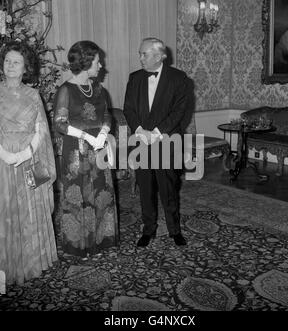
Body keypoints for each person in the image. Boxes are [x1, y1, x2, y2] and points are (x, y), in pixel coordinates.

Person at [53, 40, 118, 257]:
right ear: (87, 62)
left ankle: (100, 242)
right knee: (78, 196)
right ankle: (79, 245)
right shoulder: (66, 90)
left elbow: (107, 115)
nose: (101, 66)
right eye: (98, 62)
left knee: (101, 193)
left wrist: (102, 133)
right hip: (76, 152)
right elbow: (59, 123)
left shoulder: (99, 89)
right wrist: (85, 135)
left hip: (99, 149)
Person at [0, 41, 57, 285]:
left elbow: (41, 129)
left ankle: (29, 262)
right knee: (6, 211)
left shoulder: (33, 95)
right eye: (7, 61)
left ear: (26, 68)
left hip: (29, 160)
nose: (10, 66)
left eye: (16, 62)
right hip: (1, 160)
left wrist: (25, 154)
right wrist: (5, 154)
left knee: (30, 209)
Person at [124, 37, 188, 247]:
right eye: (140, 54)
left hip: (167, 141)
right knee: (145, 189)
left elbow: (179, 111)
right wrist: (141, 130)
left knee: (169, 188)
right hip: (141, 140)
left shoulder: (179, 78)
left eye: (145, 54)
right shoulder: (135, 78)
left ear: (160, 56)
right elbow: (129, 109)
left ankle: (174, 230)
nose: (140, 58)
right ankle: (148, 229)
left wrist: (158, 132)